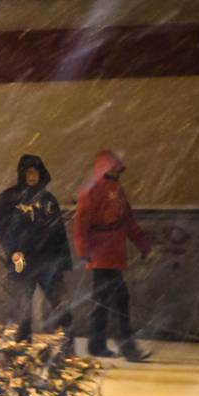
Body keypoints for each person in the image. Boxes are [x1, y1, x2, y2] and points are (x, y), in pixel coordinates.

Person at [69, 149, 153, 361]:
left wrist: (142, 244)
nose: (117, 172)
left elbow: (128, 222)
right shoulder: (95, 191)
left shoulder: (113, 190)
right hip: (102, 255)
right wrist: (84, 249)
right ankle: (126, 346)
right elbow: (81, 222)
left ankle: (98, 344)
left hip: (110, 255)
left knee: (103, 301)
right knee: (117, 299)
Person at [0, 153, 71, 346]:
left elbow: (58, 232)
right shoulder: (10, 199)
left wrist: (61, 260)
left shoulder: (48, 200)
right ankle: (22, 345)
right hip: (22, 260)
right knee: (23, 307)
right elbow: (0, 227)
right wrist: (12, 251)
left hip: (48, 260)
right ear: (22, 174)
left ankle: (68, 346)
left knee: (61, 304)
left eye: (36, 172)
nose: (32, 176)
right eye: (28, 172)